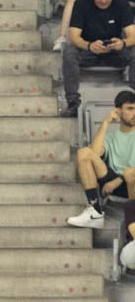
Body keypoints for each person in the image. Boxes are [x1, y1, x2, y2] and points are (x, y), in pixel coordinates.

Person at [63, 0, 135, 119]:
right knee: (70, 53)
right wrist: (89, 45)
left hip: (115, 50)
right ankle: (72, 102)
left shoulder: (121, 4)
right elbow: (74, 37)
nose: (103, 0)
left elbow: (132, 35)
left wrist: (123, 43)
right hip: (88, 50)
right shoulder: (81, 3)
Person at [68, 89, 135, 228]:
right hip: (114, 182)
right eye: (130, 109)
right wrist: (106, 122)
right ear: (118, 111)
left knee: (130, 173)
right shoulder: (111, 137)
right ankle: (95, 211)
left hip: (131, 180)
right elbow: (95, 153)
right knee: (84, 153)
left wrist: (119, 180)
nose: (134, 113)